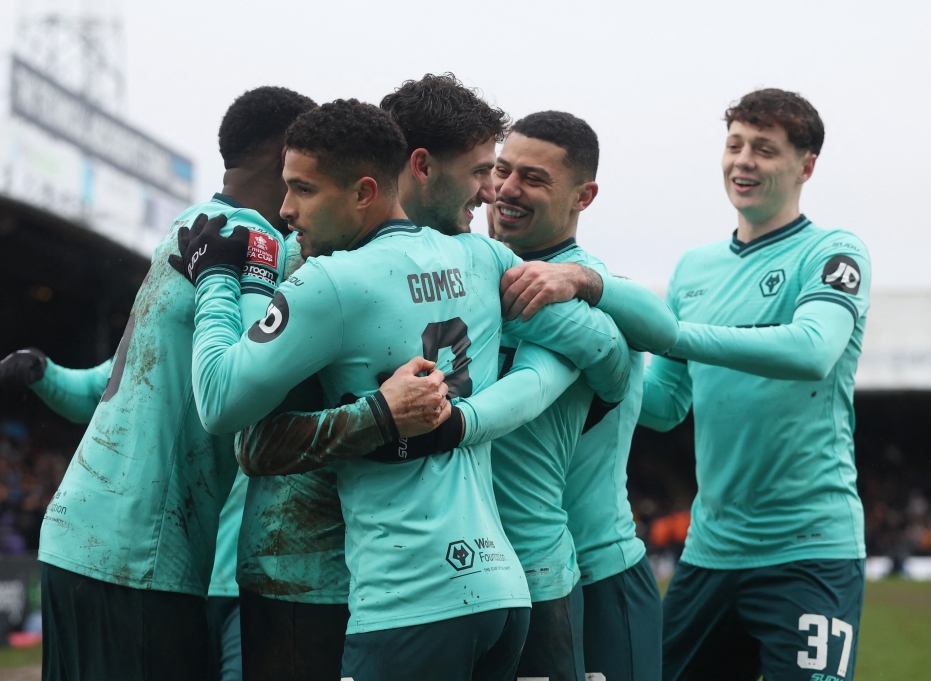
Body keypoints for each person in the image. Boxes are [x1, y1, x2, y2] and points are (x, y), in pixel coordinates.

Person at [180, 98, 633, 681]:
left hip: (393, 597)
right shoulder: (481, 258)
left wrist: (219, 279)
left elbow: (225, 411)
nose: (286, 209)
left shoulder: (324, 276)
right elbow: (604, 347)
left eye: (302, 190)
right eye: (481, 171)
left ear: (365, 190)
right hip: (500, 588)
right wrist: (591, 292)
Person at [0, 86, 323, 681]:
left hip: (79, 536)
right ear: (285, 157)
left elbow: (117, 383)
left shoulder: (188, 228)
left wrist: (44, 373)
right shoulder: (252, 242)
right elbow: (244, 383)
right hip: (141, 552)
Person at [640, 89, 870, 681]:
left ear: (806, 166)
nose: (743, 160)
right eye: (735, 145)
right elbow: (664, 404)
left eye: (764, 149)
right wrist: (594, 360)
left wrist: (675, 334)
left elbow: (813, 350)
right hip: (709, 552)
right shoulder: (693, 269)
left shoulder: (833, 251)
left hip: (811, 550)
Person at [487, 111, 675, 681]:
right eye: (501, 170)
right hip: (486, 577)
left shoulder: (593, 289)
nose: (508, 189)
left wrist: (582, 282)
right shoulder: (468, 274)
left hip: (597, 577)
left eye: (533, 178)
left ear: (583, 196)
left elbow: (664, 329)